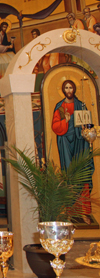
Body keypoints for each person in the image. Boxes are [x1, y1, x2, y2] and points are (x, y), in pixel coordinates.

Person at [52, 80, 94, 223]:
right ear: (63, 90)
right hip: (65, 143)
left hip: (80, 142)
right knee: (69, 176)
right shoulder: (60, 107)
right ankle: (69, 211)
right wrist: (66, 121)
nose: (69, 90)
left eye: (70, 87)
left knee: (83, 175)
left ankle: (85, 212)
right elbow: (55, 126)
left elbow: (87, 122)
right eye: (66, 88)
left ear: (74, 89)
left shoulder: (81, 105)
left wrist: (86, 129)